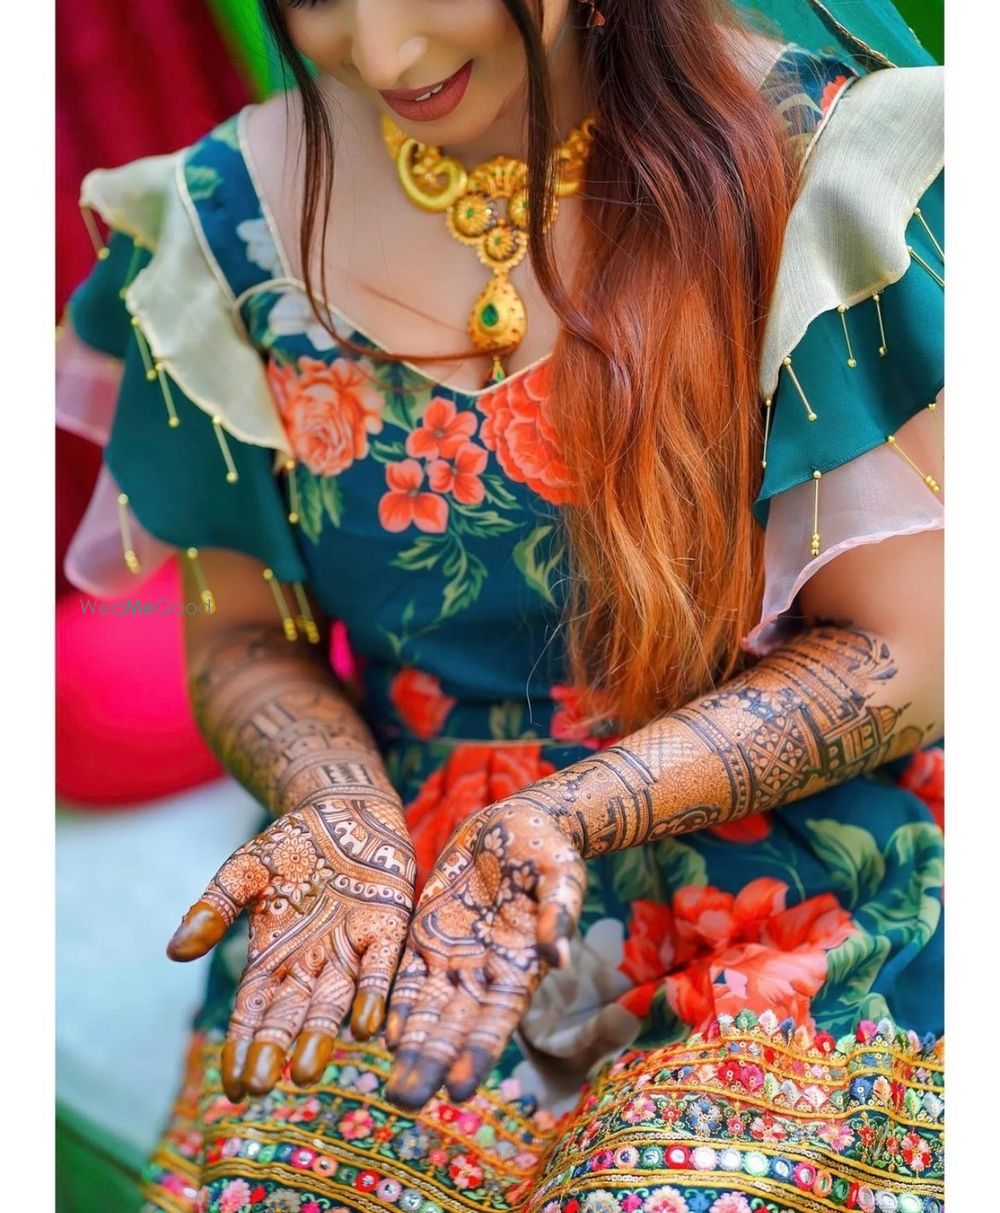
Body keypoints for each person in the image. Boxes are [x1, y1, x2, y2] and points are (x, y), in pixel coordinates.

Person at [58, 1, 945, 1210]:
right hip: (394, 887)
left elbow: (908, 650)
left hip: (794, 882)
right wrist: (336, 806)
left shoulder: (823, 159)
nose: (383, 60)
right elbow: (239, 636)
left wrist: (564, 816)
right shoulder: (222, 224)